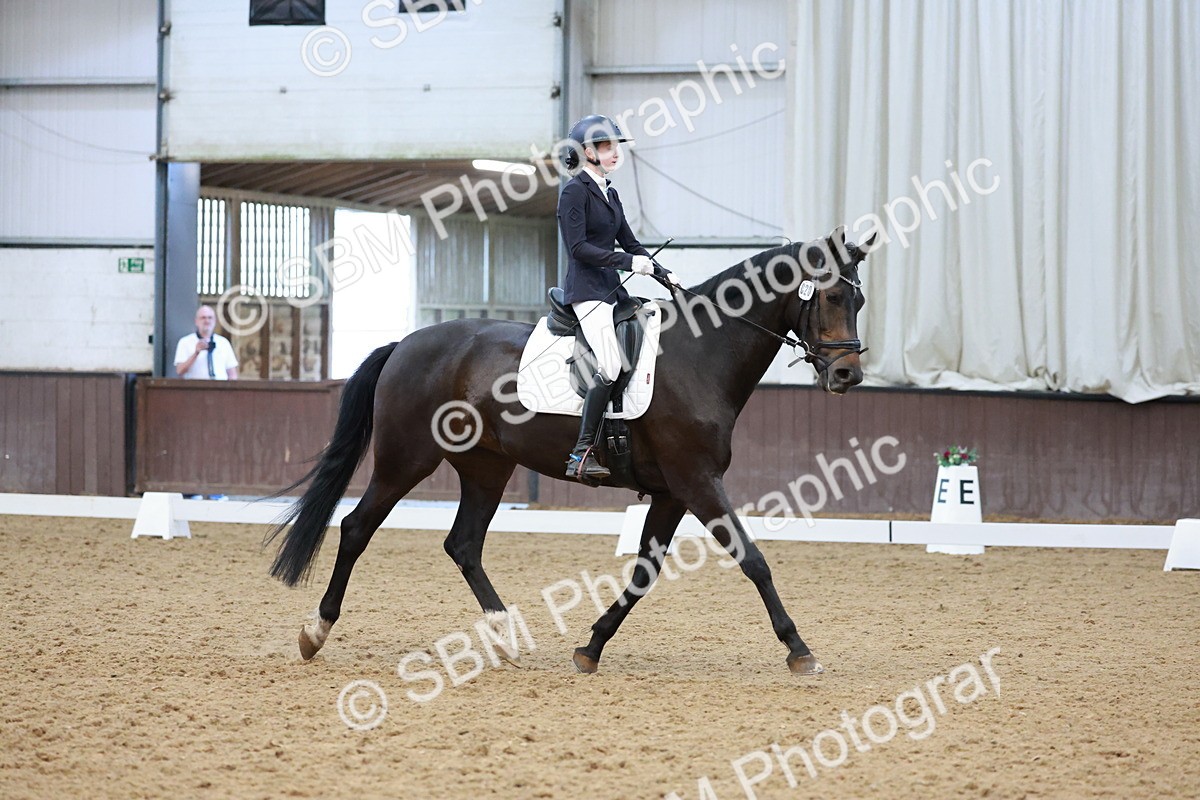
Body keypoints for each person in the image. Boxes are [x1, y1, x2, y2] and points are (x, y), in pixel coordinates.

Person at [557, 114, 680, 481]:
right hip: (587, 292)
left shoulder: (609, 191)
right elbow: (578, 248)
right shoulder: (574, 191)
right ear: (587, 152)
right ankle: (580, 454)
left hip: (612, 290)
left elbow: (630, 241)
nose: (614, 153)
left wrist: (662, 273)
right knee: (609, 364)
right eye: (607, 146)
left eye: (614, 146)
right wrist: (628, 262)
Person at [175, 305, 239, 380]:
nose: (207, 321)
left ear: (215, 321)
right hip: (194, 389)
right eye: (203, 318)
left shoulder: (223, 343)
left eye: (210, 318)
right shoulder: (185, 342)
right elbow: (180, 371)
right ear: (196, 321)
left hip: (220, 389)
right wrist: (196, 353)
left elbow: (232, 374)